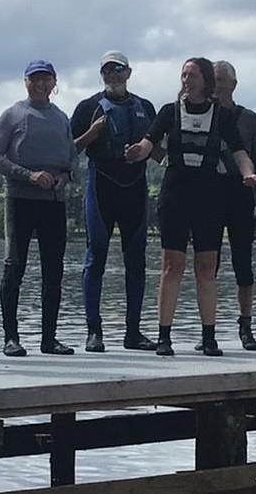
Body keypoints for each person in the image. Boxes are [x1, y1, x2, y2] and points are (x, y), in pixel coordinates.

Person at [125, 57, 256, 357]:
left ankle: (209, 337)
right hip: (175, 194)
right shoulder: (169, 112)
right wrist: (138, 152)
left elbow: (240, 153)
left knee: (205, 268)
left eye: (193, 75)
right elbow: (148, 143)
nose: (186, 80)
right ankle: (164, 337)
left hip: (208, 196)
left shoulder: (222, 116)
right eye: (183, 75)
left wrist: (248, 174)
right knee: (172, 266)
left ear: (206, 81)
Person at [0, 60, 78, 357]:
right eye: (34, 79)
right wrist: (28, 175)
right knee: (15, 266)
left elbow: (72, 161)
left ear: (54, 82)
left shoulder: (62, 118)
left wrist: (64, 177)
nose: (40, 84)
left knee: (54, 270)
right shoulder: (12, 115)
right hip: (20, 199)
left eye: (46, 79)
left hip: (53, 202)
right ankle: (10, 337)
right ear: (25, 82)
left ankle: (49, 338)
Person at [71, 51, 157, 352]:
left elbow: (161, 151)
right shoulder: (87, 107)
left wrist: (144, 150)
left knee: (136, 260)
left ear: (129, 73)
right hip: (101, 186)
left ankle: (133, 332)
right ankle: (94, 332)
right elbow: (70, 152)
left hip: (134, 188)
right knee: (96, 258)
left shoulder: (145, 107)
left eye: (118, 70)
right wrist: (91, 134)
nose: (112, 75)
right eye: (107, 71)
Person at [209, 60, 256, 350]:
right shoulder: (202, 113)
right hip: (209, 194)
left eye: (221, 80)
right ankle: (209, 330)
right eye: (213, 80)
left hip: (242, 191)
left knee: (243, 264)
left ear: (234, 84)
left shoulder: (249, 118)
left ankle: (246, 326)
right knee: (209, 264)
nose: (217, 86)